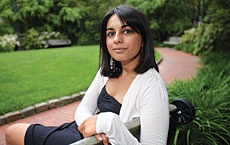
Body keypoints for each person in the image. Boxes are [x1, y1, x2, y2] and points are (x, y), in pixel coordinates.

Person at [5, 5, 169, 145]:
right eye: (111, 33)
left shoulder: (151, 86)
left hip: (95, 141)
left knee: (13, 133)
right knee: (12, 132)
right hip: (83, 133)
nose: (117, 39)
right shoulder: (108, 71)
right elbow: (84, 108)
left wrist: (107, 123)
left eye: (126, 31)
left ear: (142, 39)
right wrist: (89, 127)